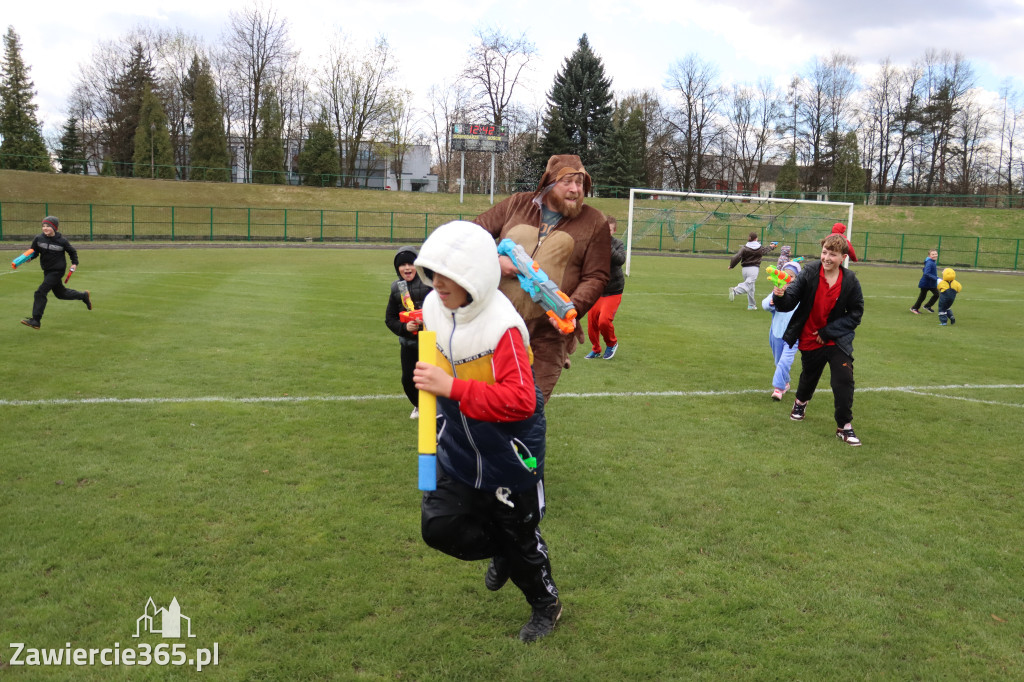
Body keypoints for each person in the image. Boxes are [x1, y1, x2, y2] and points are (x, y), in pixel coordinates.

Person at [412, 220, 561, 644]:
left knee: (522, 539)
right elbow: (435, 361)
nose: (438, 282)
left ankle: (545, 605)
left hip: (509, 453)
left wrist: (452, 388)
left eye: (449, 274)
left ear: (474, 277)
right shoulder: (432, 306)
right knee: (439, 526)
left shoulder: (504, 329)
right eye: (434, 271)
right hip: (458, 445)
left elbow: (521, 402)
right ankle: (504, 551)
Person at [474, 154, 610, 402]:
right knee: (486, 402)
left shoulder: (594, 222)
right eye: (567, 182)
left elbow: (596, 276)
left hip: (548, 335)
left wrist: (570, 308)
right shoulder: (517, 204)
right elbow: (472, 234)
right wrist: (494, 260)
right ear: (548, 183)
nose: (575, 189)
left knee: (529, 406)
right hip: (497, 327)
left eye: (580, 183)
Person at [772, 233, 864, 446]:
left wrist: (828, 332)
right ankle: (800, 402)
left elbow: (855, 313)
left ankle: (844, 427)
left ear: (842, 257)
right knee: (809, 376)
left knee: (843, 379)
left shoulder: (850, 280)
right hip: (809, 336)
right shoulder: (810, 272)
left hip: (836, 339)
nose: (827, 258)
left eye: (832, 254)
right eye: (824, 253)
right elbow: (789, 301)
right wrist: (780, 295)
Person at [18, 216, 92, 330]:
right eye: (43, 226)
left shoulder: (62, 241)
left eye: (48, 226)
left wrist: (74, 263)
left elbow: (72, 251)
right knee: (61, 294)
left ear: (54, 227)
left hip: (57, 271)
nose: (45, 228)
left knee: (40, 292)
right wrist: (29, 258)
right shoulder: (38, 238)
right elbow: (34, 252)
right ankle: (83, 296)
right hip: (47, 270)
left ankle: (36, 320)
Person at [384, 245, 432, 418]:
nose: (407, 268)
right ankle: (418, 405)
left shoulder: (429, 284)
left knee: (431, 376)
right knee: (408, 379)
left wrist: (426, 322)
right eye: (402, 265)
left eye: (410, 264)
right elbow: (390, 319)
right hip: (409, 344)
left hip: (431, 342)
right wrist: (405, 328)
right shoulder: (397, 288)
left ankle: (438, 408)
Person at [584, 214, 625, 360]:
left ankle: (612, 343)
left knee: (604, 321)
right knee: (592, 324)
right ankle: (596, 349)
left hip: (614, 289)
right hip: (597, 290)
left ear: (613, 231)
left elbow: (620, 260)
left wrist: (607, 245)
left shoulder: (617, 244)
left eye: (609, 230)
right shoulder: (593, 244)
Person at [761, 258, 802, 400]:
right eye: (786, 274)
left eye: (792, 276)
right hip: (776, 334)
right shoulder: (777, 291)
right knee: (779, 361)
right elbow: (765, 305)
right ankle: (785, 381)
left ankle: (778, 388)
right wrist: (773, 300)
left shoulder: (800, 295)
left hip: (792, 337)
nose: (788, 278)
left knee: (785, 361)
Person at [728, 231, 777, 310]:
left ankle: (751, 305)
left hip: (744, 269)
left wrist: (731, 265)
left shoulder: (744, 248)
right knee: (748, 285)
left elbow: (737, 256)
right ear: (756, 239)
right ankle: (735, 291)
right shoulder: (759, 247)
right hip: (753, 269)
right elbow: (766, 250)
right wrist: (772, 246)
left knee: (751, 288)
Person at [910, 249, 939, 314]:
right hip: (926, 283)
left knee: (936, 294)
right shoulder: (930, 262)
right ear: (929, 255)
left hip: (931, 283)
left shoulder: (932, 261)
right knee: (922, 296)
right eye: (933, 254)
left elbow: (924, 269)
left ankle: (927, 306)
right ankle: (914, 308)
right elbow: (926, 273)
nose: (935, 255)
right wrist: (936, 278)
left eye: (936, 254)